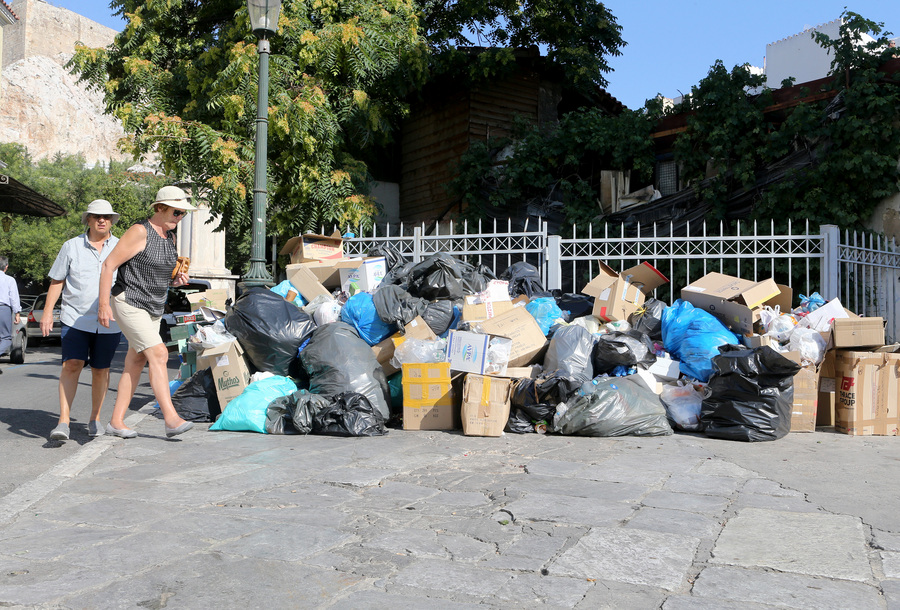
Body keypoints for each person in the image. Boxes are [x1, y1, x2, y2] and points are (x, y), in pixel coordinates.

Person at [98, 186, 196, 439]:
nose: (180, 217)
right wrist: (103, 305)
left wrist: (175, 282)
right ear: (160, 208)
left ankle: (116, 422)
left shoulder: (170, 239)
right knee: (160, 354)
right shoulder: (139, 231)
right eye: (176, 211)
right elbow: (109, 265)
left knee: (136, 360)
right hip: (128, 301)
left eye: (183, 213)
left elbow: (159, 276)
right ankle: (171, 418)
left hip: (153, 306)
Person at [45, 200, 124, 441]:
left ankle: (95, 419)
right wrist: (48, 312)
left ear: (111, 220)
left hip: (110, 320)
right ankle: (64, 422)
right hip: (75, 318)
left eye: (107, 217)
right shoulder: (71, 246)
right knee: (72, 365)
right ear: (88, 219)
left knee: (101, 370)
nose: (102, 220)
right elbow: (57, 280)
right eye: (96, 216)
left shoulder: (122, 247)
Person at [0, 255, 21, 375]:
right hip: (3, 309)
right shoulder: (9, 280)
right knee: (6, 339)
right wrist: (17, 313)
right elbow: (14, 298)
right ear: (6, 267)